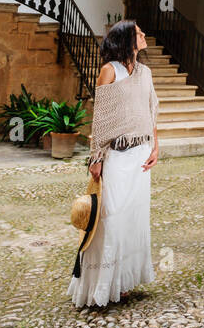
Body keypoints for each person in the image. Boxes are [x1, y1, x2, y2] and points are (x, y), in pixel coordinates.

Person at [68, 19, 159, 308]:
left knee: (134, 217)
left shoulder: (145, 72)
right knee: (112, 218)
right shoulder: (110, 71)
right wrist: (97, 158)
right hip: (117, 157)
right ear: (126, 40)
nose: (144, 36)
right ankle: (100, 286)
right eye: (139, 33)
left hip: (140, 154)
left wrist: (155, 145)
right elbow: (101, 118)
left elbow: (151, 110)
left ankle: (123, 282)